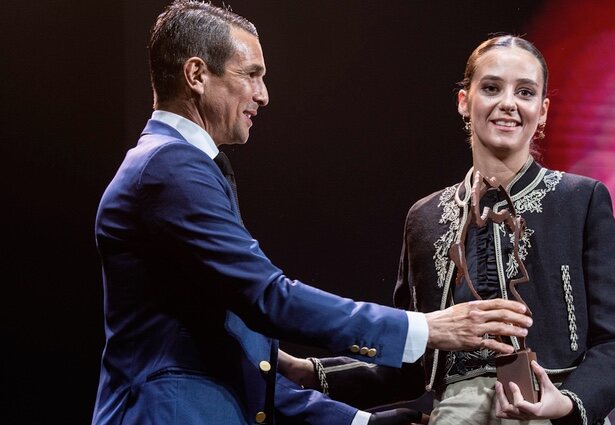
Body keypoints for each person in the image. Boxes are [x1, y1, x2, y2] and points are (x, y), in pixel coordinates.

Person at [91, 2, 536, 424]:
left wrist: (364, 422)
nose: (262, 95)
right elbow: (270, 298)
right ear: (196, 74)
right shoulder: (170, 166)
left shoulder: (176, 165)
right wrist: (425, 328)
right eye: (252, 75)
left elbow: (228, 356)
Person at [281, 35, 615, 425]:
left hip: (558, 410)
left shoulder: (580, 200)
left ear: (542, 111)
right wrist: (310, 370)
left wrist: (569, 403)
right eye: (491, 88)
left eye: (525, 92)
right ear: (463, 101)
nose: (508, 103)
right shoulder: (425, 217)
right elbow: (411, 362)